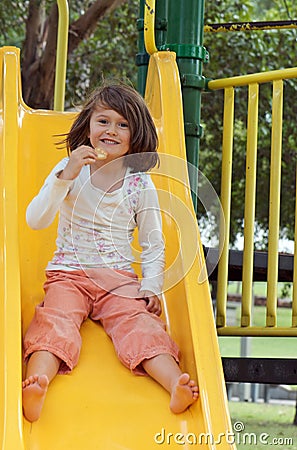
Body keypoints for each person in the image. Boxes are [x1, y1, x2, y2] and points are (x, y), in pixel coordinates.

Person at [22, 82, 199, 422]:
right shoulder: (70, 171)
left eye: (123, 124)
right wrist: (66, 175)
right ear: (87, 125)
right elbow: (36, 219)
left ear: (136, 135)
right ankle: (38, 382)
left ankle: (175, 383)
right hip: (69, 274)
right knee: (55, 319)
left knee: (139, 324)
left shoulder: (139, 183)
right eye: (103, 121)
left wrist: (151, 285)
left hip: (118, 280)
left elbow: (152, 240)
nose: (111, 131)